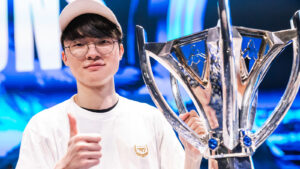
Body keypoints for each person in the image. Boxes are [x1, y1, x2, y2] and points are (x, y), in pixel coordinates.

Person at [16, 0, 205, 168]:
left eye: (103, 41)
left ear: (120, 51)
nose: (92, 53)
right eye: (79, 44)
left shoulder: (152, 120)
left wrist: (192, 156)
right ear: (65, 57)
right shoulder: (43, 127)